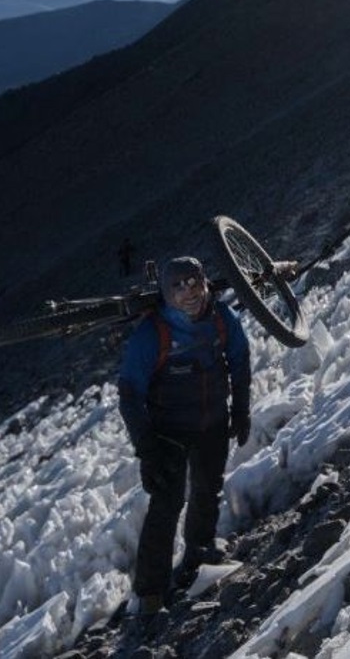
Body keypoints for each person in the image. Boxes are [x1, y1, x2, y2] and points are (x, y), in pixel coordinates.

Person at [118, 255, 252, 614]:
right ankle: (150, 592)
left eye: (194, 282)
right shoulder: (152, 335)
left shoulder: (222, 318)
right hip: (168, 434)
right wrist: (147, 451)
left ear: (205, 282)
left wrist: (241, 409)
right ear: (165, 293)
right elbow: (129, 394)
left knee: (208, 488)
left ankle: (199, 552)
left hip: (212, 422)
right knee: (166, 504)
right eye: (177, 286)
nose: (188, 292)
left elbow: (240, 360)